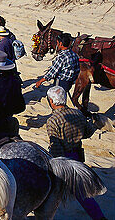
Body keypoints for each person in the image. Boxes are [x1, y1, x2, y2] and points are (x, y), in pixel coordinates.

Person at [44, 86, 105, 220]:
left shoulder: (52, 121)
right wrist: (95, 125)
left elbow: (56, 148)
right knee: (82, 192)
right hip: (77, 155)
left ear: (51, 101)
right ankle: (98, 216)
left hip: (63, 158)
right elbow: (87, 133)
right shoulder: (77, 114)